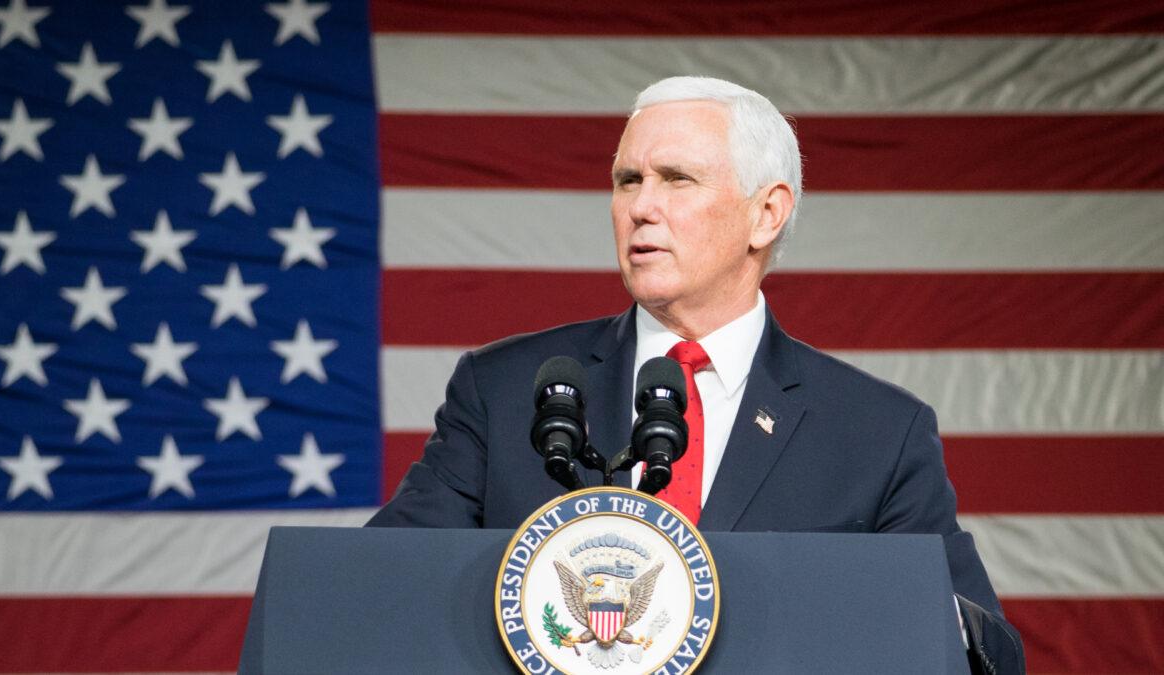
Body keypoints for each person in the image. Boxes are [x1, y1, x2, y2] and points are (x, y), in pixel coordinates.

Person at [370, 76, 1024, 673]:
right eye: (628, 181)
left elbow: (984, 647)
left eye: (676, 179)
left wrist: (847, 598)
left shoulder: (879, 432)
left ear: (766, 213)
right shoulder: (506, 389)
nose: (640, 207)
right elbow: (377, 585)